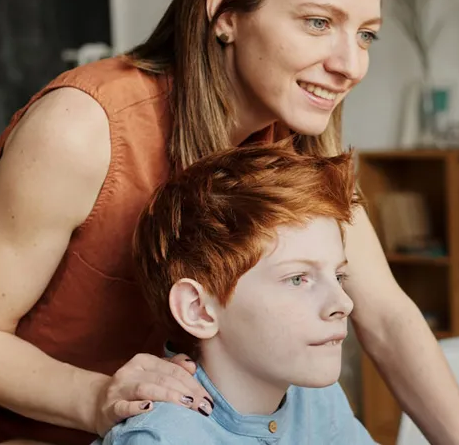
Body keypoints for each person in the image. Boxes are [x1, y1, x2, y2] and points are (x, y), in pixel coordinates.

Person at [0, 0, 459, 444]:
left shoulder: (301, 144)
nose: (352, 65)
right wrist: (98, 397)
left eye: (367, 35)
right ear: (224, 13)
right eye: (318, 22)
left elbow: (385, 316)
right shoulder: (81, 127)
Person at [97, 141, 375, 444]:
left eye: (338, 275)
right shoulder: (161, 438)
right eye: (298, 279)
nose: (343, 303)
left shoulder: (318, 400)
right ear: (199, 310)